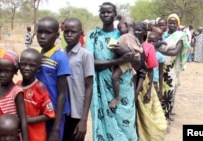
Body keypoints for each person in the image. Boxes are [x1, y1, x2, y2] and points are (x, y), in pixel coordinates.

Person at [86, 2, 138, 140]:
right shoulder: (93, 36)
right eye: (103, 12)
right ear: (99, 15)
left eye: (109, 12)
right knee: (104, 126)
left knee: (126, 125)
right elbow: (91, 63)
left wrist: (129, 57)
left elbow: (137, 61)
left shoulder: (123, 35)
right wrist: (117, 61)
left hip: (124, 87)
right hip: (101, 88)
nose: (106, 14)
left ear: (115, 15)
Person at [35, 16, 71, 141]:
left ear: (57, 35)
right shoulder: (37, 57)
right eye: (40, 32)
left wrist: (56, 127)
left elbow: (62, 94)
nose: (42, 36)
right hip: (40, 113)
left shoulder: (60, 58)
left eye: (48, 33)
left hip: (55, 114)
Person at [0, 49, 28, 141]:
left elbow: (23, 120)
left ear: (14, 71)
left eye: (7, 71)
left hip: (12, 138)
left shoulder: (16, 92)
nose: (2, 74)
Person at [61, 17, 94, 141]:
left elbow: (89, 86)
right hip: (63, 111)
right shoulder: (61, 54)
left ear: (81, 33)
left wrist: (84, 119)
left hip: (77, 112)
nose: (69, 35)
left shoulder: (85, 55)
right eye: (66, 31)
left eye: (73, 32)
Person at [134, 22, 167, 141]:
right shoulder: (129, 44)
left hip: (144, 83)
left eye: (139, 30)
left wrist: (149, 91)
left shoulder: (148, 47)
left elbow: (151, 71)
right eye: (135, 30)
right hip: (130, 82)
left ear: (144, 33)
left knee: (146, 114)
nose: (137, 32)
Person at [17, 48, 55, 141]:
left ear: (38, 68)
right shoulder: (16, 86)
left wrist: (25, 121)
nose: (27, 68)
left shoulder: (39, 87)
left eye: (32, 65)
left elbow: (49, 114)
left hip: (36, 136)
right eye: (23, 64)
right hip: (19, 135)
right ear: (19, 66)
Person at [158, 13, 190, 122]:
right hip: (160, 67)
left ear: (178, 24)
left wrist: (158, 49)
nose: (171, 24)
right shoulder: (163, 34)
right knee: (159, 91)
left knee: (169, 92)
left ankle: (167, 115)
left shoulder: (181, 36)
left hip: (171, 69)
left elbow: (175, 52)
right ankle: (160, 117)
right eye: (170, 22)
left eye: (174, 22)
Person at [108, 16, 143, 108]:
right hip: (131, 62)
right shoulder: (134, 38)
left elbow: (118, 48)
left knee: (115, 77)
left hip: (126, 61)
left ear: (126, 25)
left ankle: (117, 97)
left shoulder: (124, 37)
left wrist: (114, 61)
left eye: (119, 28)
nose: (118, 31)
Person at [147, 32, 165, 101]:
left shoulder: (159, 56)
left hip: (154, 82)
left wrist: (160, 90)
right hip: (146, 81)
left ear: (157, 42)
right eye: (149, 41)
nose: (151, 43)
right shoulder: (144, 53)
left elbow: (161, 74)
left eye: (153, 41)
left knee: (153, 101)